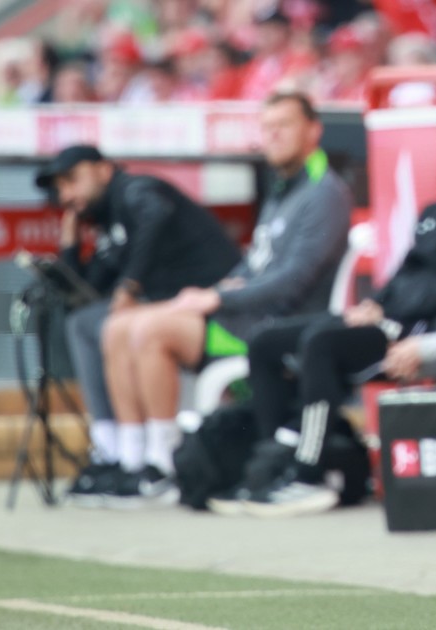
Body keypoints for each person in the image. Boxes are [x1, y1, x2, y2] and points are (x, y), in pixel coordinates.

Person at [209, 113, 436, 518]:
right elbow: (407, 274)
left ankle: (309, 476)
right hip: (389, 319)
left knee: (323, 344)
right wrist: (376, 304)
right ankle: (270, 466)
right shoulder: (435, 211)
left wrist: (386, 311)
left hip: (423, 332)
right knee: (266, 341)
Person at [95, 92, 351, 507]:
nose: (273, 136)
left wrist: (218, 299)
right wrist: (221, 288)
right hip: (245, 312)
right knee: (117, 327)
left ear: (313, 131)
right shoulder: (282, 187)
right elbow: (256, 264)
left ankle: (161, 464)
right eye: (267, 128)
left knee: (150, 330)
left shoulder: (325, 192)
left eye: (284, 125)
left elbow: (293, 280)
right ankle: (131, 457)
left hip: (277, 325)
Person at [35, 144, 242, 505]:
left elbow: (155, 213)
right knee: (86, 323)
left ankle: (161, 458)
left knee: (124, 325)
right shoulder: (108, 223)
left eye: (72, 180)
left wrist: (130, 285)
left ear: (103, 170)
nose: (66, 194)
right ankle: (119, 453)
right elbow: (86, 293)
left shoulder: (136, 189)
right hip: (172, 311)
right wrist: (70, 246)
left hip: (221, 313)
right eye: (60, 188)